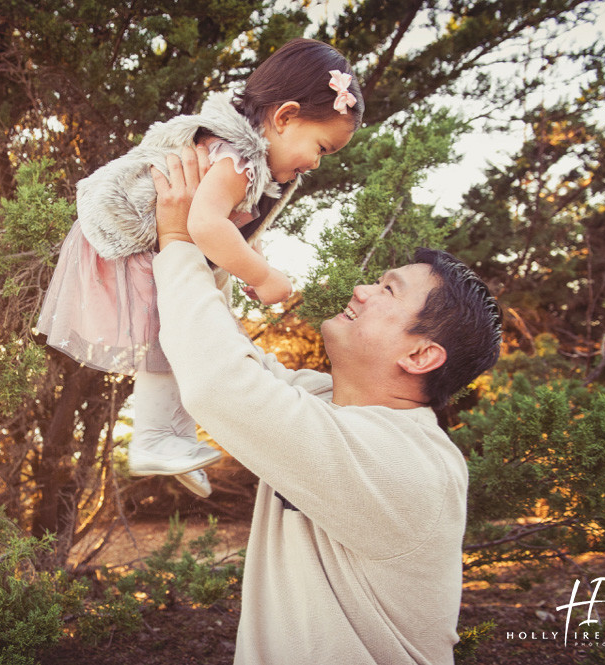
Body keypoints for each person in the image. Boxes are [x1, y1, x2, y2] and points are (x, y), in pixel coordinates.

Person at [150, 149, 502, 664]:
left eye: (386, 290)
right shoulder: (324, 400)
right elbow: (224, 353)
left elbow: (218, 384)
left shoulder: (409, 464)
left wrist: (179, 240)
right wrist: (215, 243)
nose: (360, 289)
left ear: (421, 354)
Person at [36, 38, 363, 497]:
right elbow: (206, 224)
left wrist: (252, 258)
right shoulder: (238, 156)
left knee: (195, 336)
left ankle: (176, 441)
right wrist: (262, 276)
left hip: (157, 246)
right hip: (133, 244)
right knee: (169, 333)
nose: (316, 163)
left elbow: (234, 224)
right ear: (285, 117)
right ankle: (151, 440)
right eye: (322, 147)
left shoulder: (246, 161)